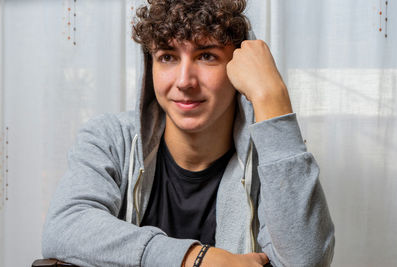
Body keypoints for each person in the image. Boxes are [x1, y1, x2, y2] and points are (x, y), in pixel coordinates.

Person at [42, 0, 335, 266]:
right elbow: (65, 227)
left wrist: (272, 99)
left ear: (238, 69)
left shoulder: (269, 159)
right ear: (150, 67)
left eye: (206, 55)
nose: (184, 81)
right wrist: (196, 259)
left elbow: (306, 260)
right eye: (168, 57)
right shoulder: (110, 138)